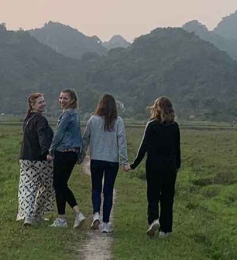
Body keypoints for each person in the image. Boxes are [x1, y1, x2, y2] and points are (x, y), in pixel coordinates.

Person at [130, 95, 182, 238]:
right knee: (167, 198)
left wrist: (133, 165)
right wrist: (177, 165)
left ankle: (154, 220)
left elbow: (143, 148)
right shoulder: (175, 126)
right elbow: (177, 149)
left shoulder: (152, 125)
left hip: (154, 166)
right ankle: (165, 230)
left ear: (157, 108)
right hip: (170, 167)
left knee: (153, 196)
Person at [82, 92, 128, 233]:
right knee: (108, 191)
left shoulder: (93, 120)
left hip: (96, 160)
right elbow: (122, 143)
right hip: (112, 161)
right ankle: (106, 225)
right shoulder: (118, 121)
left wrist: (81, 155)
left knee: (96, 189)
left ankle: (96, 214)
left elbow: (85, 139)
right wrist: (124, 161)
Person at [49, 88, 87, 228]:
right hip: (72, 153)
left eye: (65, 98)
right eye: (60, 98)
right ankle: (68, 216)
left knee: (58, 184)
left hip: (63, 152)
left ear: (72, 100)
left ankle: (68, 217)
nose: (62, 101)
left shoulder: (67, 115)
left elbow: (58, 134)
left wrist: (51, 150)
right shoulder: (75, 114)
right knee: (61, 184)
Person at [17, 91, 55, 227]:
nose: (43, 104)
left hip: (25, 159)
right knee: (49, 186)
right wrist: (46, 153)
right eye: (40, 102)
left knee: (28, 188)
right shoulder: (40, 119)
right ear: (32, 105)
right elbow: (42, 136)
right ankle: (37, 214)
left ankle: (28, 216)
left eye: (43, 101)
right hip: (40, 159)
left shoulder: (27, 119)